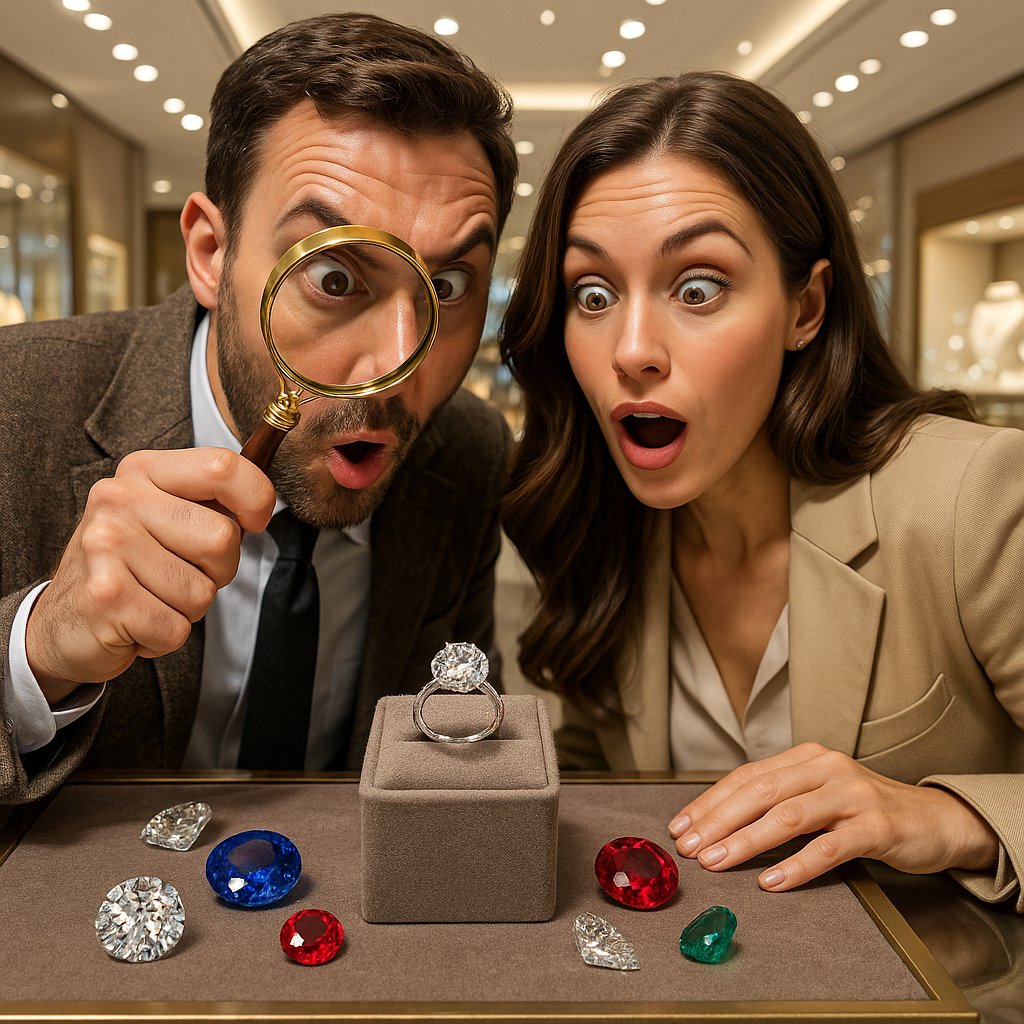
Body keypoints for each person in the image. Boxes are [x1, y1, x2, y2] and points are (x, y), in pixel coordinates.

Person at [501, 72, 1024, 911]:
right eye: (592, 295)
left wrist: (949, 815)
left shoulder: (970, 498)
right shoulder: (599, 527)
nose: (631, 348)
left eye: (698, 287)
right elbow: (605, 781)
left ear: (806, 307)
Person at [0, 12, 517, 802]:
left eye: (447, 288)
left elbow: (456, 744)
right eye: (336, 279)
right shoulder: (16, 399)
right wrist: (36, 649)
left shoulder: (470, 452)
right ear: (212, 253)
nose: (392, 371)